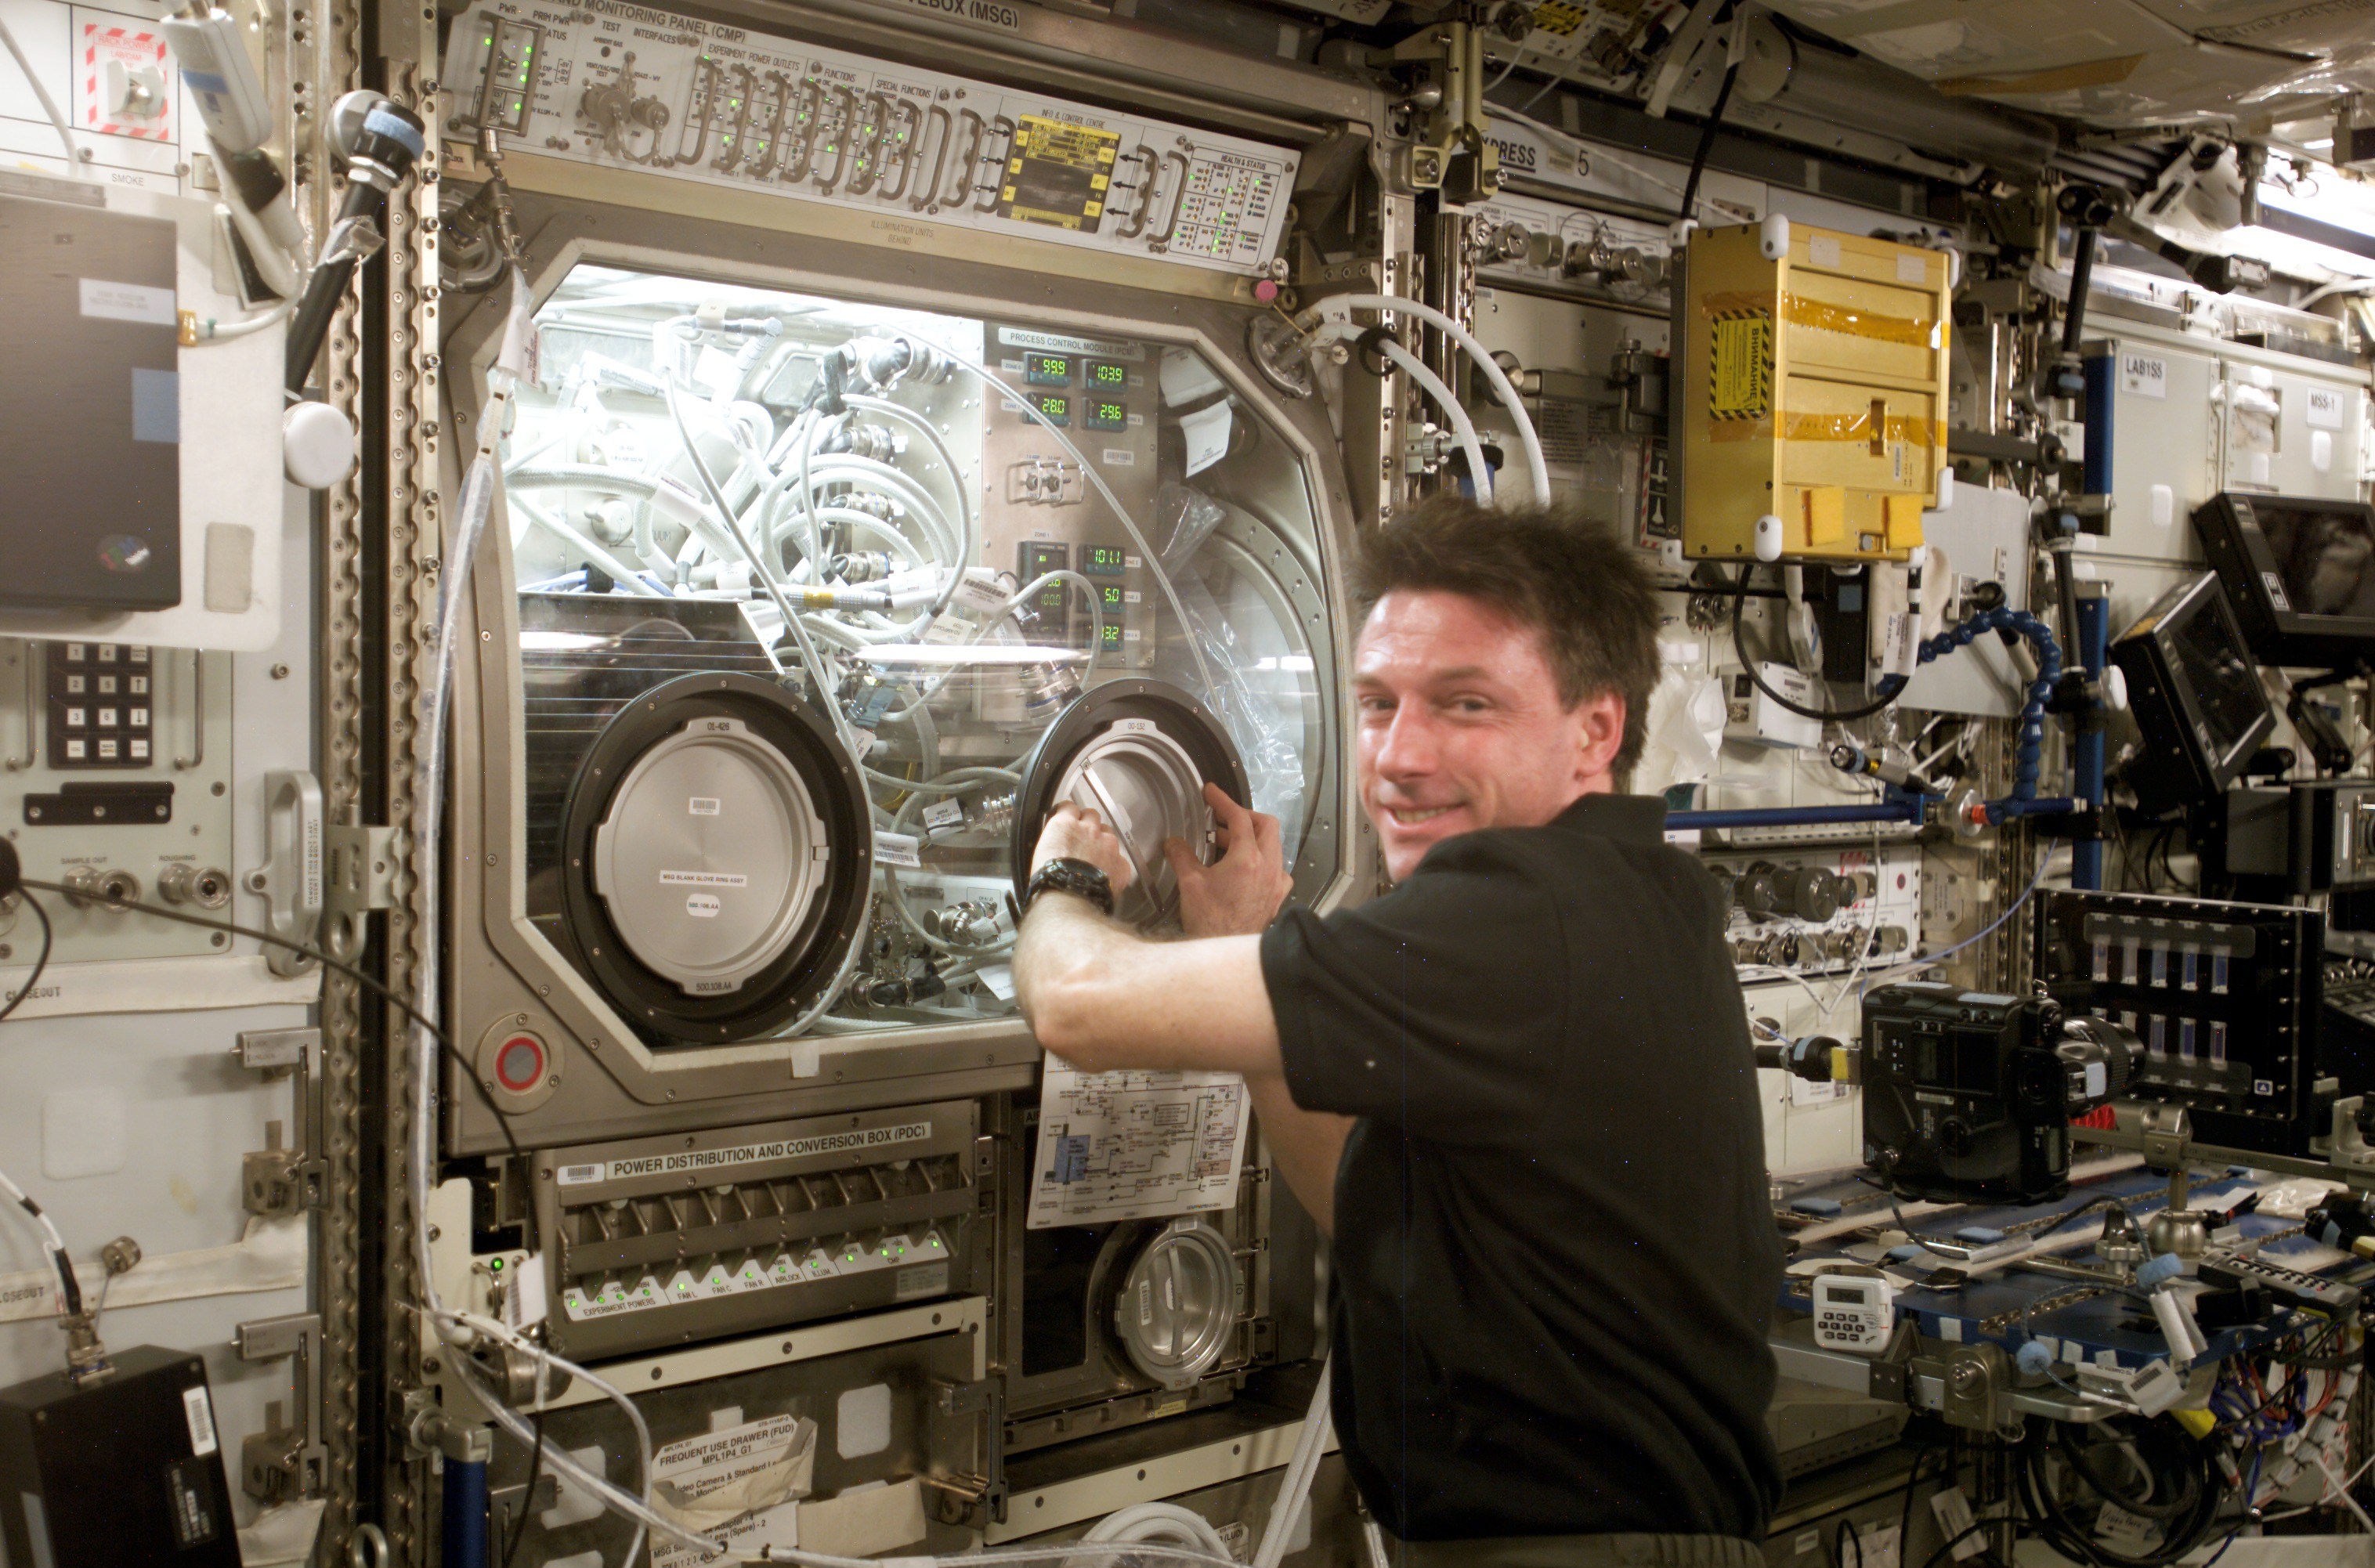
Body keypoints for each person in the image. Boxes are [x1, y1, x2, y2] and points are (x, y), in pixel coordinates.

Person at [1013, 493, 1783, 1567]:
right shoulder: (1639, 894)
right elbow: (1364, 1198)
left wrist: (1067, 874)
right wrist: (1252, 946)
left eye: (1466, 705)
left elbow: (1076, 1004)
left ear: (1596, 730)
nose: (1399, 756)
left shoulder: (1521, 917)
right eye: (1377, 704)